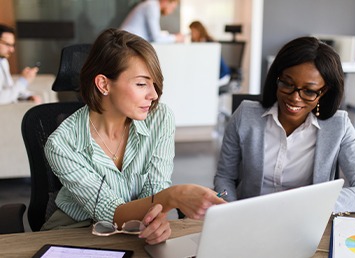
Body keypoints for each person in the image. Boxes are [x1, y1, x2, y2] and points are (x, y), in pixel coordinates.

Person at [43, 28, 225, 244]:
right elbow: (109, 212)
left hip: (134, 228)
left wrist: (156, 220)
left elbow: (156, 189)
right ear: (103, 84)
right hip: (75, 232)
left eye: (154, 83)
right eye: (141, 84)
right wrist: (174, 196)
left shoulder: (160, 118)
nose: (154, 94)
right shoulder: (62, 143)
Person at [214, 36, 355, 213]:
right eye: (287, 83)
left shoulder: (339, 126)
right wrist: (229, 209)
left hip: (305, 221)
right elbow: (224, 178)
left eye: (309, 91)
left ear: (324, 92)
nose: (294, 98)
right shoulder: (245, 115)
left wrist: (309, 202)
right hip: (249, 218)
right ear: (276, 78)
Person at [0, 24, 41, 105]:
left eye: (13, 45)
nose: (12, 50)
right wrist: (23, 81)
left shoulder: (3, 61)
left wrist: (28, 96)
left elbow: (10, 88)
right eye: (8, 45)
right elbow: (1, 99)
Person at [189, 21, 231, 85]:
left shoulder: (209, 44)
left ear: (199, 31)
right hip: (211, 75)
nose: (191, 34)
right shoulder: (197, 44)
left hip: (221, 75)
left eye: (193, 31)